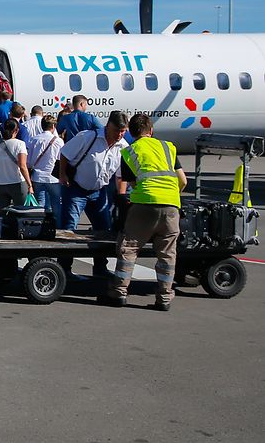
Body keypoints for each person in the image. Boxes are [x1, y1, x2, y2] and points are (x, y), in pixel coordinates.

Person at [102, 114, 186, 311]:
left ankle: (119, 292)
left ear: (131, 133)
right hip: (171, 206)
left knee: (129, 248)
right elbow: (183, 180)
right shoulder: (168, 147)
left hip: (143, 205)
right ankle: (164, 297)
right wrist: (172, 196)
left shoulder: (129, 152)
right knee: (167, 255)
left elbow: (132, 184)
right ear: (151, 131)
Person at [55, 110, 129, 276]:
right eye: (117, 130)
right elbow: (65, 153)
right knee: (69, 229)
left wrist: (121, 195)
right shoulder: (88, 136)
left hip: (99, 191)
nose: (119, 135)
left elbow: (120, 175)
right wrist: (63, 174)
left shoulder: (123, 147)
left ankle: (100, 268)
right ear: (108, 126)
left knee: (104, 228)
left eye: (123, 131)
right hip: (76, 189)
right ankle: (64, 269)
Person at [26, 115, 64, 224]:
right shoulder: (58, 141)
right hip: (53, 177)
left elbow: (28, 161)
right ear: (53, 126)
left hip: (37, 176)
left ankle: (39, 226)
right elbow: (60, 159)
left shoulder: (34, 139)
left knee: (39, 205)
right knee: (56, 204)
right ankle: (58, 227)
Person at [0, 120, 33, 213]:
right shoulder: (20, 144)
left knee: (2, 213)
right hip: (17, 182)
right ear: (16, 130)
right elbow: (22, 166)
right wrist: (29, 185)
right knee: (21, 212)